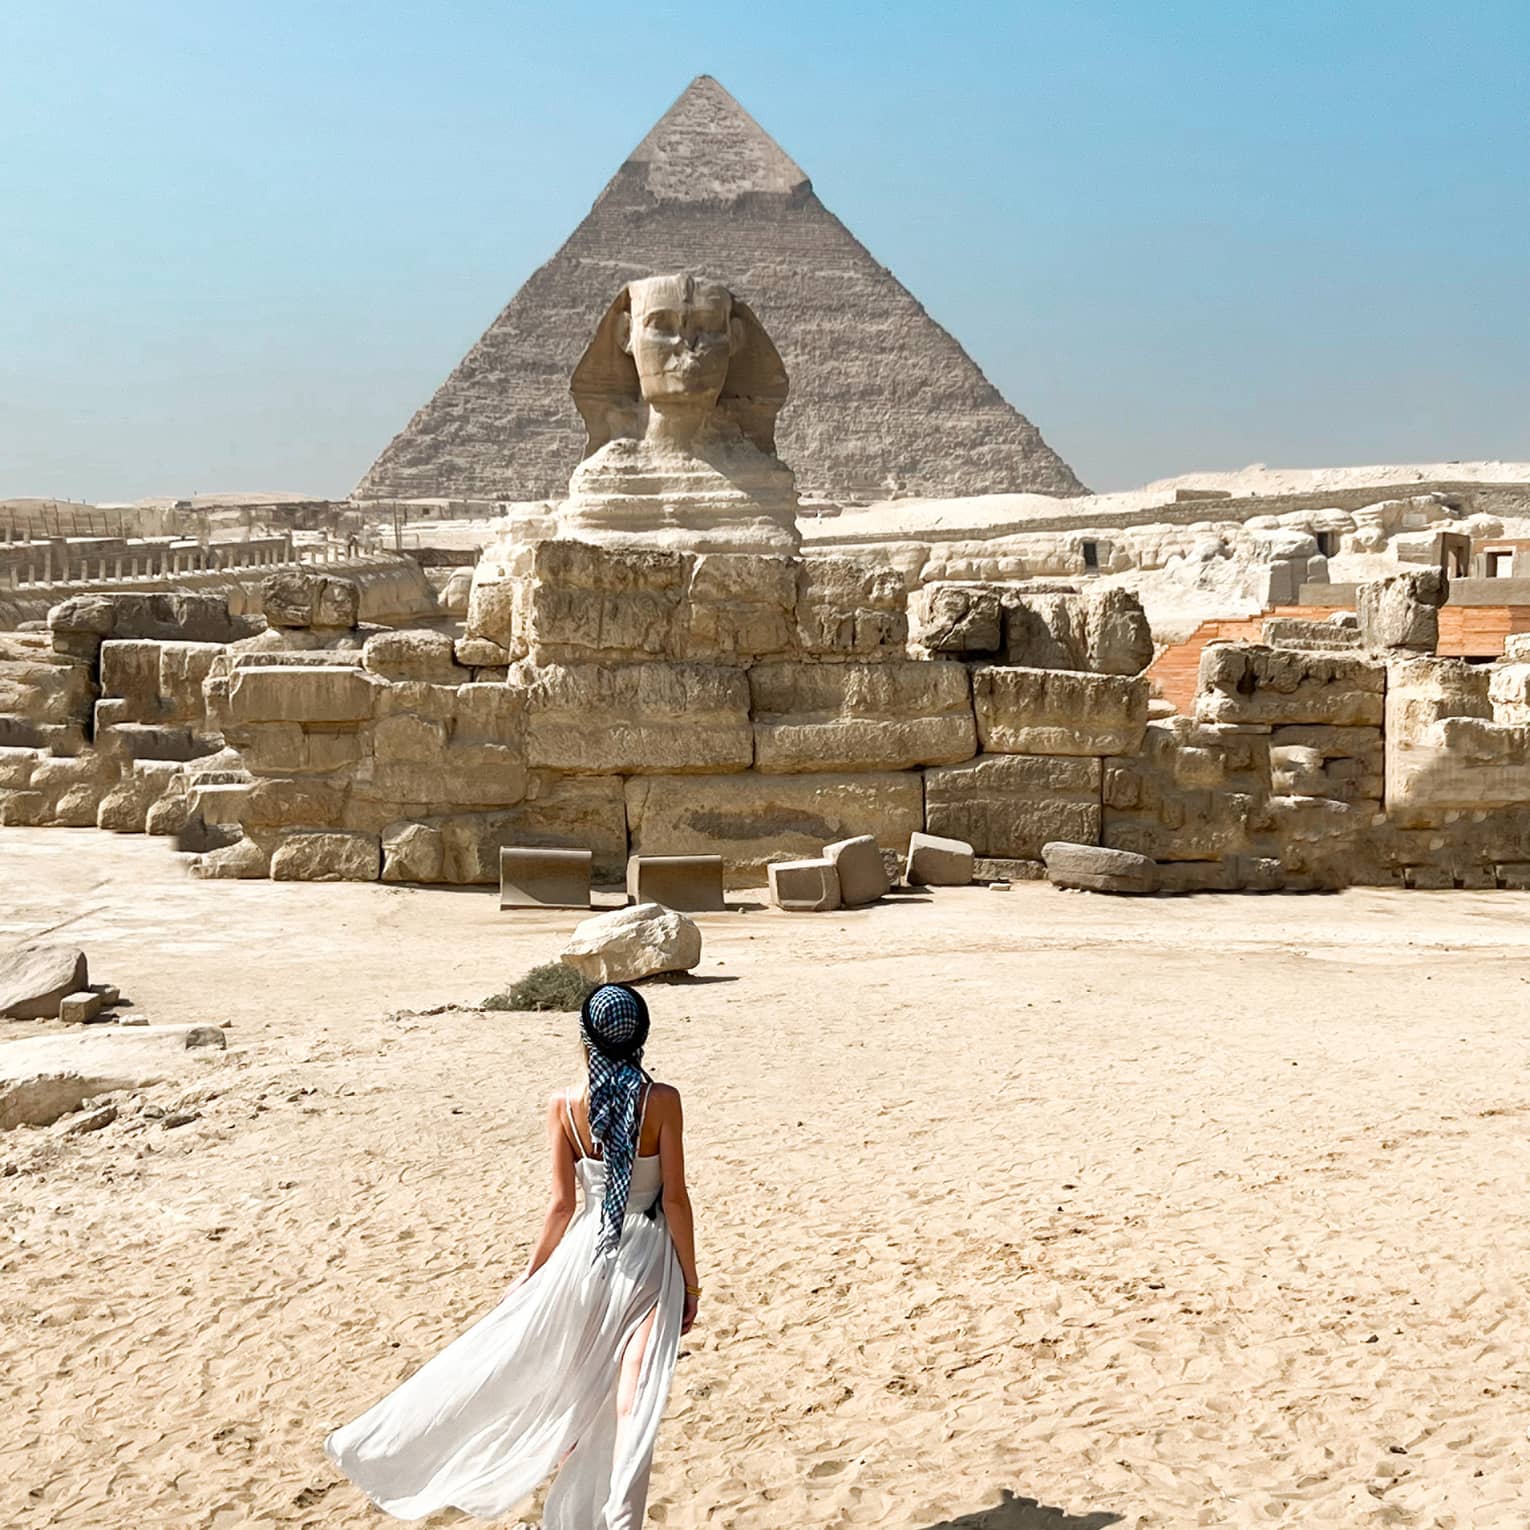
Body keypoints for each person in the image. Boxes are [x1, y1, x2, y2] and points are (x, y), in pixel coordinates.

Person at [324, 983, 699, 1527]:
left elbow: (561, 1206)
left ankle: (578, 1514)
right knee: (635, 1386)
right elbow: (674, 1197)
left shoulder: (565, 1107)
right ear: (641, 1034)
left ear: (586, 1038)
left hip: (584, 1258)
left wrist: (530, 1276)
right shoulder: (661, 1101)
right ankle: (619, 1515)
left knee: (575, 1389)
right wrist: (689, 1282)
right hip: (645, 1255)